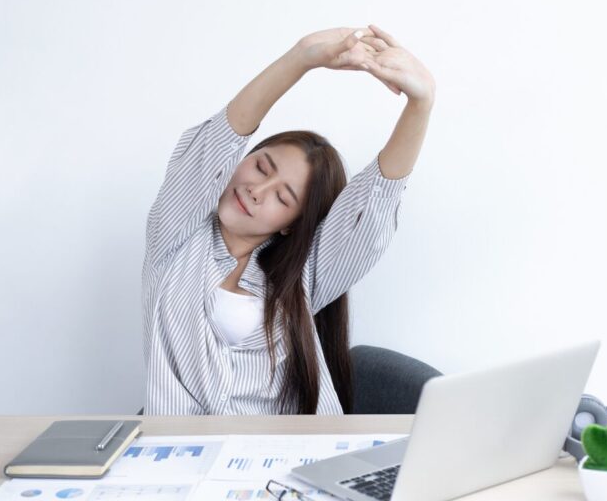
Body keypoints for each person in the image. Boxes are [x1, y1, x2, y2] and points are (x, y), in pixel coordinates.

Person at [140, 24, 435, 416]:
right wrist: (300, 58)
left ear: (291, 223)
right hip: (185, 462)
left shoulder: (303, 276)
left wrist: (421, 103)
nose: (257, 191)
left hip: (295, 464)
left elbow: (373, 207)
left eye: (282, 196)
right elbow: (216, 142)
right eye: (261, 167)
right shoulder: (175, 236)